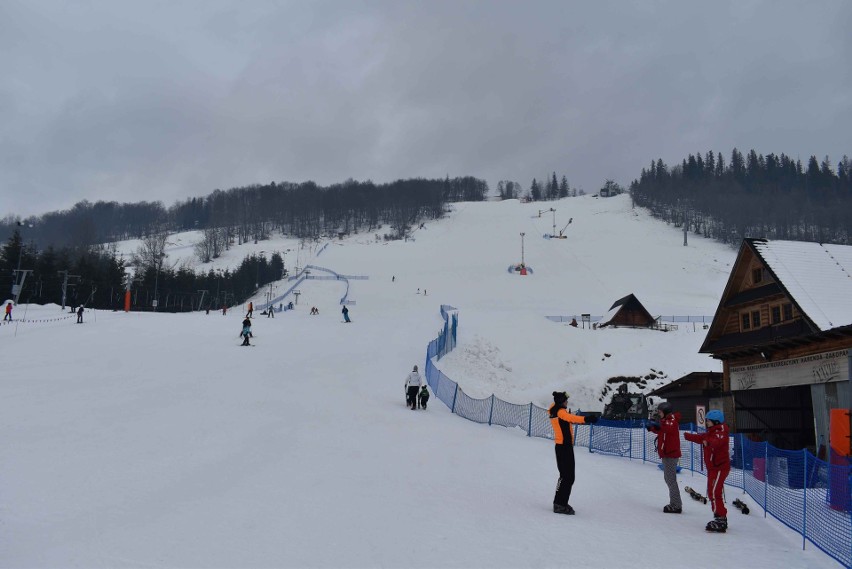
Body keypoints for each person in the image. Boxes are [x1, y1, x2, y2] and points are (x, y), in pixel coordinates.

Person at [549, 391, 598, 515]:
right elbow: (571, 418)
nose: (567, 402)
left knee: (565, 476)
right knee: (568, 477)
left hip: (562, 447)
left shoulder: (556, 410)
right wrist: (586, 419)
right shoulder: (560, 412)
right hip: (564, 447)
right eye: (565, 400)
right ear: (561, 401)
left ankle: (560, 502)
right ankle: (560, 504)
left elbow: (568, 418)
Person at [685, 410, 730, 532]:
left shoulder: (721, 432)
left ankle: (721, 518)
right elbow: (701, 438)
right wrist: (688, 436)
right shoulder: (712, 432)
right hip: (713, 468)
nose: (706, 423)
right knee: (711, 492)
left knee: (715, 493)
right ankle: (718, 516)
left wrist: (708, 442)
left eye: (708, 421)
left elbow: (716, 442)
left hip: (720, 467)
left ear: (715, 421)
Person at [647, 402, 683, 513]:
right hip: (667, 454)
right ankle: (675, 503)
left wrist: (657, 425)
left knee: (670, 480)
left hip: (671, 454)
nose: (659, 414)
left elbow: (667, 428)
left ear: (666, 412)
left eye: (660, 412)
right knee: (668, 479)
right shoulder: (666, 421)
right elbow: (661, 430)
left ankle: (676, 505)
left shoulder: (672, 421)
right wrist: (652, 428)